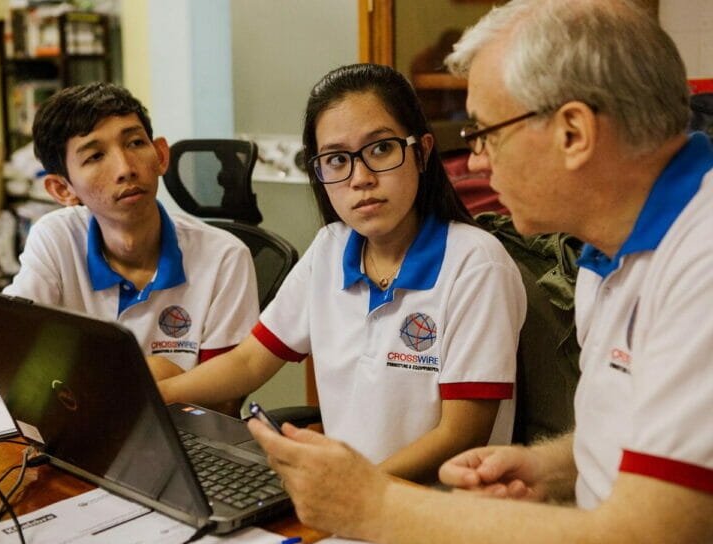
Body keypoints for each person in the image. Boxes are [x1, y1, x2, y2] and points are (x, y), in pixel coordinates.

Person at [246, 1, 713, 544]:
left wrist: (375, 501)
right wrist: (547, 466)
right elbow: (642, 438)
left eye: (486, 132)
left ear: (573, 133)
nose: (476, 159)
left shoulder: (701, 264)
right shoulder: (606, 250)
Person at [159, 63, 526, 483]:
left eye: (381, 149)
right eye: (336, 160)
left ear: (422, 152)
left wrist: (358, 490)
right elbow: (247, 362)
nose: (361, 179)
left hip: (437, 507)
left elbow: (461, 433)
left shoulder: (476, 263)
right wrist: (155, 395)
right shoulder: (330, 249)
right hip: (352, 503)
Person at [0, 82, 259, 416]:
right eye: (95, 156)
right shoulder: (55, 236)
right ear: (62, 188)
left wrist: (76, 372)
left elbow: (224, 404)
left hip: (184, 444)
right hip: (87, 435)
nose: (125, 168)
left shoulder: (225, 257)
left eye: (135, 143)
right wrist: (148, 372)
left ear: (161, 156)